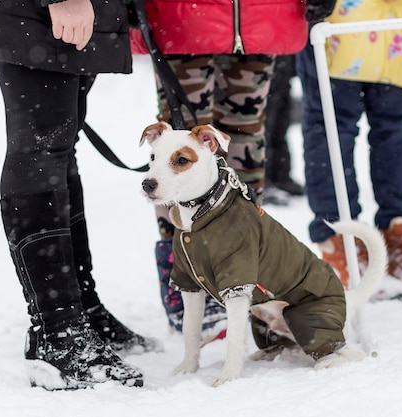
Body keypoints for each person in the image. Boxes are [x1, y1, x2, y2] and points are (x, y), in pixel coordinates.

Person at [0, 0, 160, 390]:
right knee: (40, 147)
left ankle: (80, 309)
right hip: (41, 9)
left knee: (57, 144)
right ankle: (58, 333)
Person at [132, 0, 335, 337]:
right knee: (178, 148)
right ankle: (185, 273)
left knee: (244, 143)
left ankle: (245, 271)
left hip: (260, 17)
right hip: (182, 16)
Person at [296, 0, 402, 287]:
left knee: (396, 132)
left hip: (395, 31)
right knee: (332, 132)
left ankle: (398, 232)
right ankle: (339, 237)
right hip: (338, 24)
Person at [263, 54, 306, 206]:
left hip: (284, 60)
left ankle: (281, 176)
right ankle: (263, 180)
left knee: (281, 124)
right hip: (263, 60)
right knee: (264, 126)